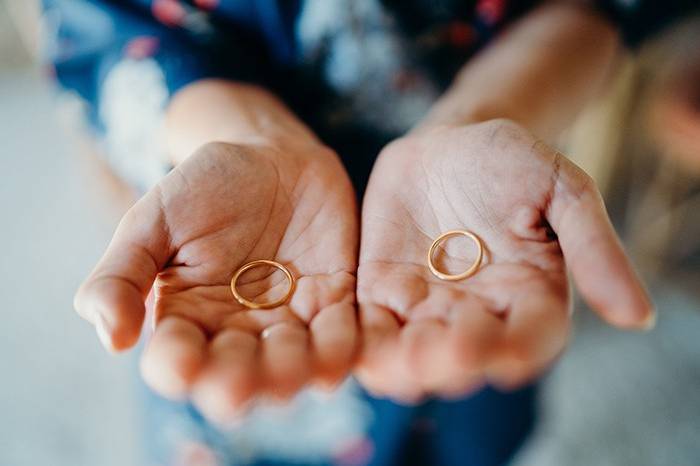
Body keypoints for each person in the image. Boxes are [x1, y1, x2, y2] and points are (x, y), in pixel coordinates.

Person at [42, 1, 697, 465]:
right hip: (234, 257)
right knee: (238, 410)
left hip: (475, 244)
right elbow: (95, 25)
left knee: (470, 405)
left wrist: (487, 111)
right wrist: (244, 136)